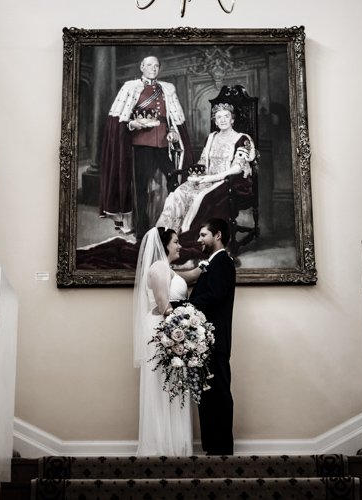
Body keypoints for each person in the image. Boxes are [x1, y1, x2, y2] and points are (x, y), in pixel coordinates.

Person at [98, 56, 194, 240]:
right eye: (149, 65)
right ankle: (142, 231)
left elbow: (171, 117)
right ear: (141, 67)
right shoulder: (130, 87)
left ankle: (170, 225)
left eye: (156, 65)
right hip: (141, 145)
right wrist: (134, 123)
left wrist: (172, 131)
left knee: (174, 181)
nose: (153, 68)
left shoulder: (167, 88)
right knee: (141, 189)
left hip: (163, 146)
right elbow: (122, 121)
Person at [156, 103, 254, 259]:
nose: (222, 120)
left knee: (202, 198)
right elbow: (202, 162)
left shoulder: (241, 139)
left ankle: (188, 238)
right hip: (207, 177)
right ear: (215, 121)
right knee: (179, 193)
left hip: (228, 180)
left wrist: (211, 178)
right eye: (219, 117)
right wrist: (196, 176)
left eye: (226, 116)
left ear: (232, 120)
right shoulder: (211, 138)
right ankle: (167, 236)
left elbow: (236, 169)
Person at [132, 226, 192, 456]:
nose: (179, 246)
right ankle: (160, 445)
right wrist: (184, 328)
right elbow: (162, 303)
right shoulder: (158, 268)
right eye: (176, 241)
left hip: (169, 329)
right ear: (164, 244)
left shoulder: (167, 269)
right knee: (162, 386)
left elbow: (185, 281)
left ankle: (174, 443)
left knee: (172, 385)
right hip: (162, 330)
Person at [187, 218, 236, 455]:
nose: (199, 239)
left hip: (215, 341)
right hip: (206, 341)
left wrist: (185, 307)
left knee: (219, 393)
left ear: (217, 235)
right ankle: (212, 447)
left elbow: (215, 295)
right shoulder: (212, 263)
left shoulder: (223, 262)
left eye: (203, 234)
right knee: (207, 396)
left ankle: (222, 449)